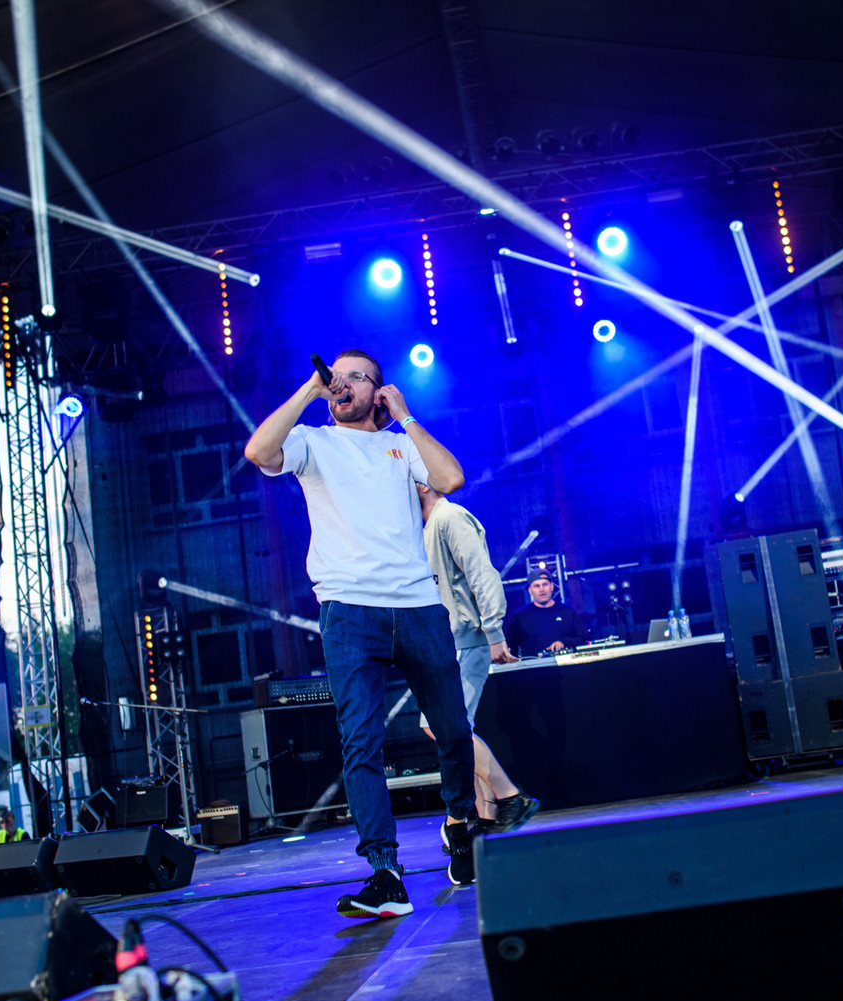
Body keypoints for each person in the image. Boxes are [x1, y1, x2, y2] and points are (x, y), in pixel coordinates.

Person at [246, 349, 479, 921]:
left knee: (453, 730)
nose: (341, 382)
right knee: (360, 742)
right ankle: (385, 872)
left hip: (418, 605)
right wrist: (309, 390)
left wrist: (406, 416)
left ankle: (460, 822)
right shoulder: (313, 442)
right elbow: (258, 451)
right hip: (349, 610)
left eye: (356, 376)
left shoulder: (400, 445)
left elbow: (450, 478)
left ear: (379, 391)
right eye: (337, 375)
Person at [415, 482, 540, 834]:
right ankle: (488, 813)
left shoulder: (450, 517)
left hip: (466, 638)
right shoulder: (429, 526)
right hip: (448, 640)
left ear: (423, 483)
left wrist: (493, 631)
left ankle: (510, 796)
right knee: (453, 728)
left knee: (444, 726)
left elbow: (482, 574)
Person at [506, 570, 587, 656]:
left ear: (552, 586)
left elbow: (582, 639)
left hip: (566, 662)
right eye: (537, 586)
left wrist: (564, 642)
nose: (541, 589)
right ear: (530, 590)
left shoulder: (568, 611)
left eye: (545, 584)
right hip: (534, 664)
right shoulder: (519, 616)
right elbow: (510, 646)